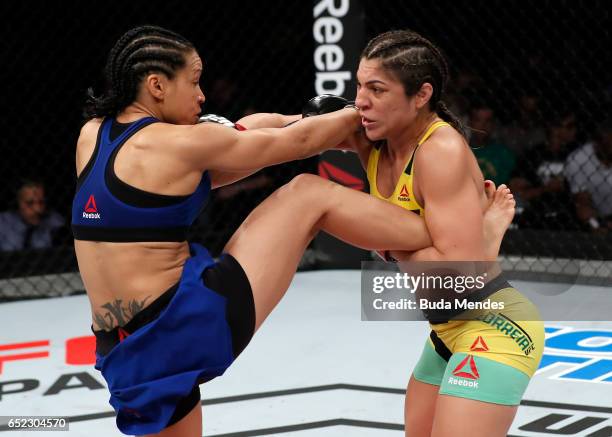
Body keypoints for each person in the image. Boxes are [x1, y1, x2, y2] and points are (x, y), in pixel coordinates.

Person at [72, 25, 457, 437]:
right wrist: (358, 112)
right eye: (194, 81)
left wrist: (300, 119)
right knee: (307, 194)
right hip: (183, 324)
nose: (202, 95)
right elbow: (296, 144)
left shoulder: (92, 134)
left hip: (125, 348)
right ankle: (441, 233)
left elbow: (238, 138)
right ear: (157, 86)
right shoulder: (179, 144)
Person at [343, 30, 544, 437]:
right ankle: (483, 239)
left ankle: (483, 240)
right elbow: (286, 130)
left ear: (421, 95)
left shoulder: (440, 151)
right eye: (359, 86)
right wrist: (224, 131)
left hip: (495, 324)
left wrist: (384, 238)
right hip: (445, 329)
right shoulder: (373, 132)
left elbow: (456, 274)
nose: (361, 100)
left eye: (376, 89)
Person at [564, 117, 612, 233]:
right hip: (600, 218)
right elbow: (582, 203)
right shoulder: (578, 160)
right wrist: (596, 226)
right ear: (602, 139)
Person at [0, 179, 65, 251]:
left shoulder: (53, 221)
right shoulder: (3, 223)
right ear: (17, 203)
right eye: (30, 203)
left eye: (41, 202)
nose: (37, 209)